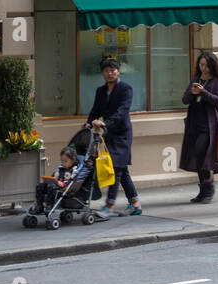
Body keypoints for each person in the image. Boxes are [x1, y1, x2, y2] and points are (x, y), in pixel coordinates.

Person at [84, 56, 141, 218]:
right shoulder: (100, 91)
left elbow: (122, 111)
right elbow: (96, 110)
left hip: (122, 134)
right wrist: (89, 123)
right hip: (108, 135)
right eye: (106, 71)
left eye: (113, 70)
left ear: (118, 71)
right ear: (103, 73)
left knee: (116, 168)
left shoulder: (126, 89)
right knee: (122, 169)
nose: (110, 73)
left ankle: (108, 206)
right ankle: (135, 204)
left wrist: (106, 123)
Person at [180, 51, 218, 203]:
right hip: (194, 124)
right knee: (196, 154)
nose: (204, 68)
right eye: (201, 65)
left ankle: (209, 185)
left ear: (213, 66)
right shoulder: (196, 79)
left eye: (207, 65)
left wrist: (203, 92)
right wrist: (193, 93)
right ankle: (203, 189)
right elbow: (184, 100)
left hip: (209, 126)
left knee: (202, 152)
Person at [33, 145, 88, 213]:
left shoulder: (74, 170)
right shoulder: (61, 167)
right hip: (55, 184)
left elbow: (72, 181)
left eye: (65, 161)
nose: (63, 163)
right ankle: (39, 205)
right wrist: (49, 180)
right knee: (39, 186)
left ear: (73, 160)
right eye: (61, 161)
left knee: (51, 187)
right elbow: (55, 176)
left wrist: (63, 184)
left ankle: (50, 205)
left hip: (64, 187)